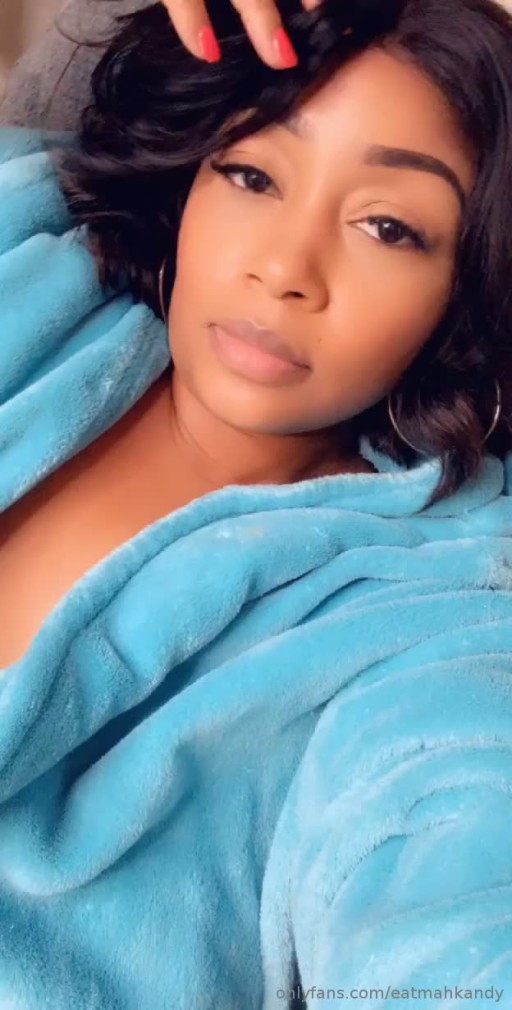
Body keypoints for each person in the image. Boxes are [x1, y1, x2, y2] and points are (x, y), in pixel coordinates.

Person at [1, 0, 512, 1006]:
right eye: (251, 174)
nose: (283, 269)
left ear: (463, 286)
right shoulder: (31, 252)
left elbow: (451, 882)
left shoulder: (433, 616)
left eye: (387, 227)